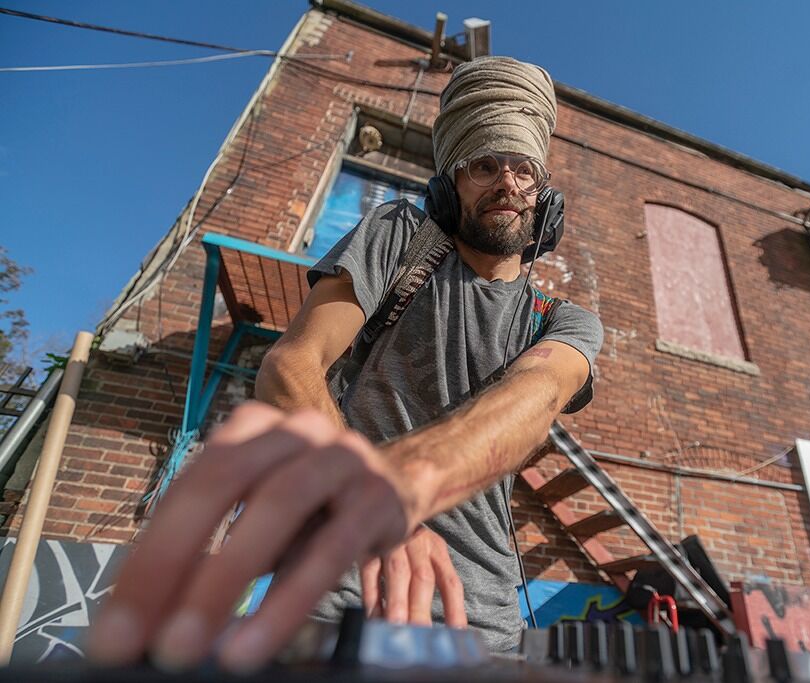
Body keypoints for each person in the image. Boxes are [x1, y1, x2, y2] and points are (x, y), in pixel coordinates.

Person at [87, 56, 603, 673]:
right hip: (338, 593)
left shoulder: (564, 321)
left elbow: (537, 392)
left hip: (482, 621)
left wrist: (401, 488)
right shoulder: (401, 237)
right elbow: (292, 365)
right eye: (483, 165)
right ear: (449, 184)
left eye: (523, 169)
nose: (507, 183)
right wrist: (366, 499)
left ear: (544, 195)